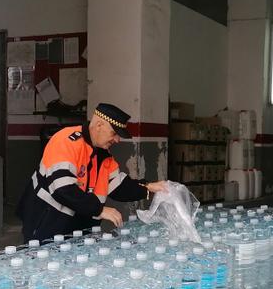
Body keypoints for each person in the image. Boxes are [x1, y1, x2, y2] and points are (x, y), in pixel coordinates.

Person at [17, 103, 167, 241]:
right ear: (99, 125)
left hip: (77, 226)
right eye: (114, 133)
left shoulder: (103, 155)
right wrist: (99, 210)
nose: (117, 140)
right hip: (45, 222)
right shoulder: (65, 141)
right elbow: (62, 189)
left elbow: (119, 187)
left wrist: (149, 188)